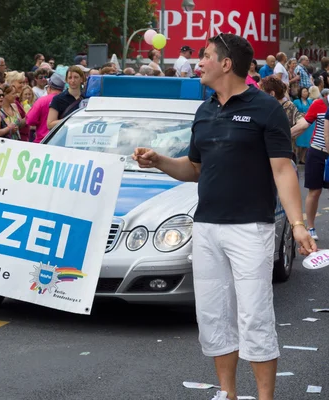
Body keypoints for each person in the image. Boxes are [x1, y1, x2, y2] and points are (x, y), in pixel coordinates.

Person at [134, 33, 315, 400]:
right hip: (206, 229)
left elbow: (283, 169)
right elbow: (196, 169)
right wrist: (160, 161)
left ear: (226, 64)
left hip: (251, 228)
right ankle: (227, 393)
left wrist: (297, 224)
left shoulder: (266, 109)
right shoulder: (205, 110)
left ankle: (265, 397)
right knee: (214, 316)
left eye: (205, 57)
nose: (198, 63)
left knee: (255, 315)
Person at [291, 91, 329, 241]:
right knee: (314, 192)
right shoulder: (319, 104)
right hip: (318, 152)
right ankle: (311, 227)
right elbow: (304, 125)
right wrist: (284, 135)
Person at [27, 73, 65, 143]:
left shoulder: (42, 100)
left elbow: (30, 120)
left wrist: (40, 122)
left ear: (49, 87)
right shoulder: (66, 100)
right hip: (60, 143)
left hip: (42, 141)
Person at [293, 87, 314, 164]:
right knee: (298, 141)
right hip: (300, 122)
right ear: (300, 93)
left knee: (307, 142)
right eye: (304, 91)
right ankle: (296, 156)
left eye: (306, 91)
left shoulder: (310, 101)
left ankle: (302, 158)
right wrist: (299, 114)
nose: (306, 93)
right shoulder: (296, 101)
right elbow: (294, 111)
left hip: (309, 123)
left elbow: (312, 111)